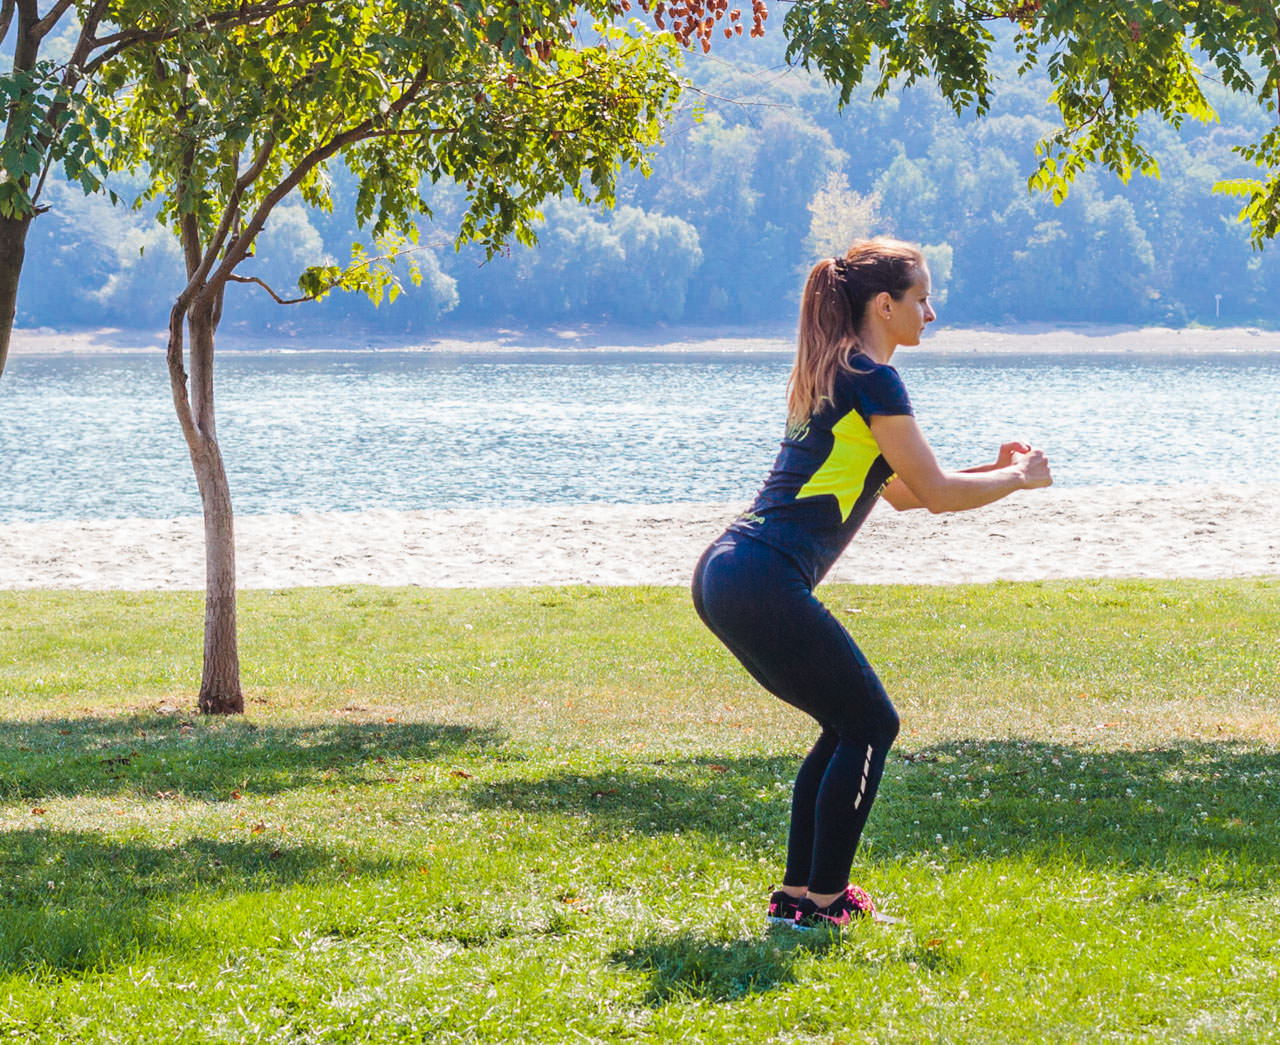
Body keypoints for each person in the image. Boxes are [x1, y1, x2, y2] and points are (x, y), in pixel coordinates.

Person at [691, 237, 1052, 930]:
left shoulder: (839, 372)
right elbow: (938, 494)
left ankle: (800, 899)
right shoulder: (872, 379)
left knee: (845, 722)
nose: (932, 312)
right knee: (871, 722)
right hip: (761, 576)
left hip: (728, 570)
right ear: (883, 305)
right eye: (921, 299)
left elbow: (907, 491)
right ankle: (822, 906)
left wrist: (994, 470)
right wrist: (1020, 476)